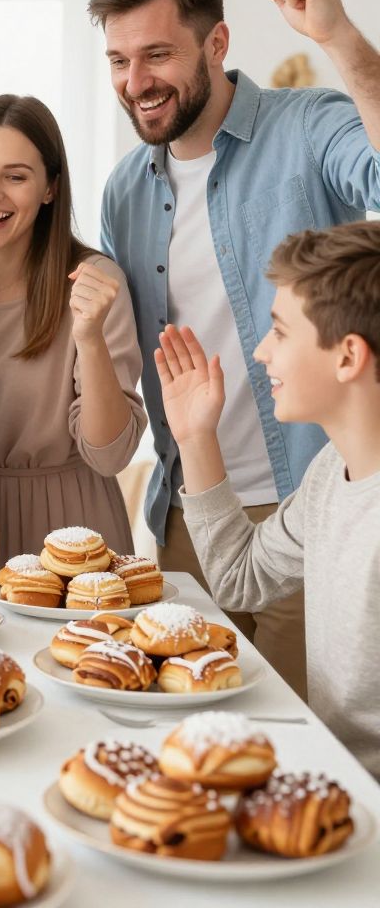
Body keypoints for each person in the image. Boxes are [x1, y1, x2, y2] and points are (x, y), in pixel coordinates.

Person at [91, 0, 380, 696]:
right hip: (191, 509)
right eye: (119, 59)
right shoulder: (125, 189)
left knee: (300, 744)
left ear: (217, 45)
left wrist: (342, 39)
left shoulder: (308, 126)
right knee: (203, 734)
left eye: (158, 54)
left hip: (307, 506)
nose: (135, 82)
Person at [156, 222, 380, 777]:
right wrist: (196, 438)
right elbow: (239, 578)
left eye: (279, 332)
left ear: (347, 357)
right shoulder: (331, 472)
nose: (260, 352)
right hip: (333, 779)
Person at [0, 95, 146, 564]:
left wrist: (88, 338)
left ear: (49, 188)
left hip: (72, 528)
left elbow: (108, 456)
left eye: (16, 177)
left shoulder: (95, 284)